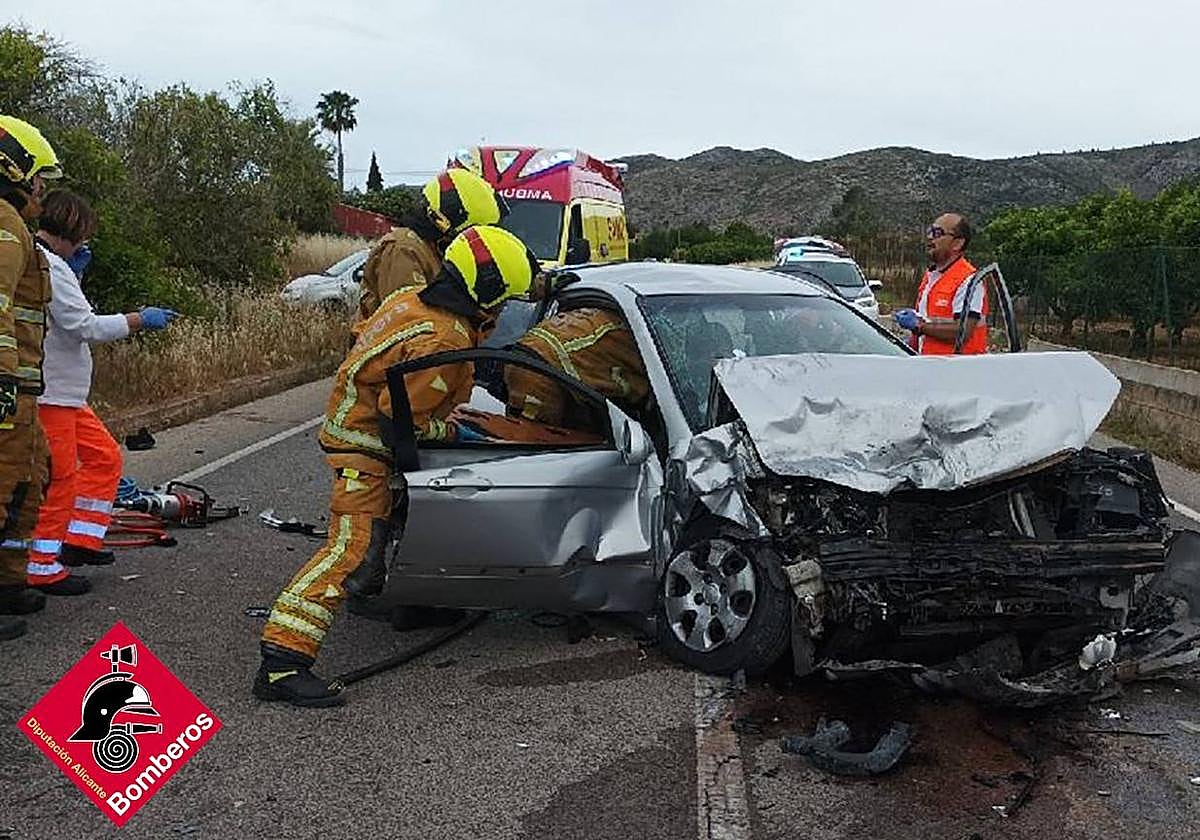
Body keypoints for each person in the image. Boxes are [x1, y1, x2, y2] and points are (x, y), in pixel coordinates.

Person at [254, 225, 538, 707]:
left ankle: (414, 603)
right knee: (349, 550)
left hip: (354, 431)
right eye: (505, 300)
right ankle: (282, 662)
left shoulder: (410, 301)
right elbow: (399, 420)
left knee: (413, 522)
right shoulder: (444, 337)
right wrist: (457, 434)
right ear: (488, 292)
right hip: (365, 448)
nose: (503, 311)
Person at [27, 190, 178, 595]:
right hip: (52, 396)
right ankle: (41, 565)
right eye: (82, 235)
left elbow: (64, 317)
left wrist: (75, 275)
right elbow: (84, 327)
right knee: (60, 478)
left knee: (104, 458)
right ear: (71, 230)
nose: (84, 243)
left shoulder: (54, 266)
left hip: (66, 395)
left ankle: (78, 540)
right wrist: (138, 319)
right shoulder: (48, 266)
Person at [0, 116, 63, 640]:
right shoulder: (3, 223)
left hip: (22, 389)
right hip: (8, 387)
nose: (42, 188)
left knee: (27, 481)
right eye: (39, 176)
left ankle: (8, 582)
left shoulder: (15, 225)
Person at [357, 168, 508, 320]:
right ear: (440, 221)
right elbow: (409, 318)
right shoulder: (403, 249)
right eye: (468, 232)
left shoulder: (437, 249)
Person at [504, 307, 649, 431]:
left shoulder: (634, 326)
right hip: (536, 371)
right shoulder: (632, 336)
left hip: (533, 361)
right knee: (535, 442)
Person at [892, 213, 987, 355]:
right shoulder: (931, 277)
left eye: (937, 233)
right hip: (930, 364)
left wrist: (919, 326)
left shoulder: (969, 280)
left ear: (957, 243)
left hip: (958, 366)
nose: (930, 237)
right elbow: (927, 323)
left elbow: (963, 331)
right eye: (930, 231)